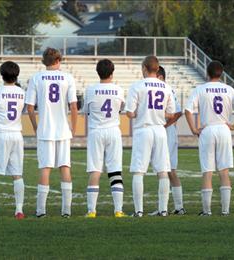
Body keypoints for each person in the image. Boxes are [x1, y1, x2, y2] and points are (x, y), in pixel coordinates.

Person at [185, 61, 234, 216]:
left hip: (207, 129)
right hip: (224, 129)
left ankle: (207, 211)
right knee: (224, 171)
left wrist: (194, 129)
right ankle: (225, 210)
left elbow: (187, 110)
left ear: (207, 73)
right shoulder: (228, 89)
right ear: (221, 73)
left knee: (207, 171)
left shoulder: (200, 89)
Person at [25, 47, 78, 218]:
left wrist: (35, 126)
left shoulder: (36, 78)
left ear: (44, 61)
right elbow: (74, 106)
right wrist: (74, 128)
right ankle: (66, 210)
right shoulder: (68, 77)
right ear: (58, 60)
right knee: (65, 168)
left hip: (45, 129)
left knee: (45, 169)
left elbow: (30, 107)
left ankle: (41, 210)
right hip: (63, 129)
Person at [125, 56, 176, 217]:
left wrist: (140, 112)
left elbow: (130, 113)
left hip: (143, 129)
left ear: (144, 68)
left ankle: (139, 210)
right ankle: (163, 209)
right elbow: (171, 113)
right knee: (162, 171)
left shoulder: (137, 86)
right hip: (160, 130)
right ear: (157, 68)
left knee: (139, 171)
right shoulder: (166, 87)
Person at [83, 59, 125, 218]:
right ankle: (118, 211)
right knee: (115, 171)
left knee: (95, 171)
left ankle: (92, 211)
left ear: (97, 72)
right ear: (112, 72)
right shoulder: (119, 90)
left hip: (96, 131)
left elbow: (85, 111)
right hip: (113, 131)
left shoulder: (90, 90)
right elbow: (120, 108)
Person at [0, 61, 26, 219]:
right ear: (17, 75)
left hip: (0, 133)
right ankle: (19, 210)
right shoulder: (22, 92)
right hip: (16, 134)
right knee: (17, 174)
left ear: (2, 75)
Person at [156, 65, 186, 215]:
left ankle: (168, 207)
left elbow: (178, 112)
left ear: (160, 77)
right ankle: (176, 207)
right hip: (165, 132)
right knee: (166, 170)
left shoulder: (167, 89)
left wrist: (164, 125)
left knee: (166, 169)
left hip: (167, 133)